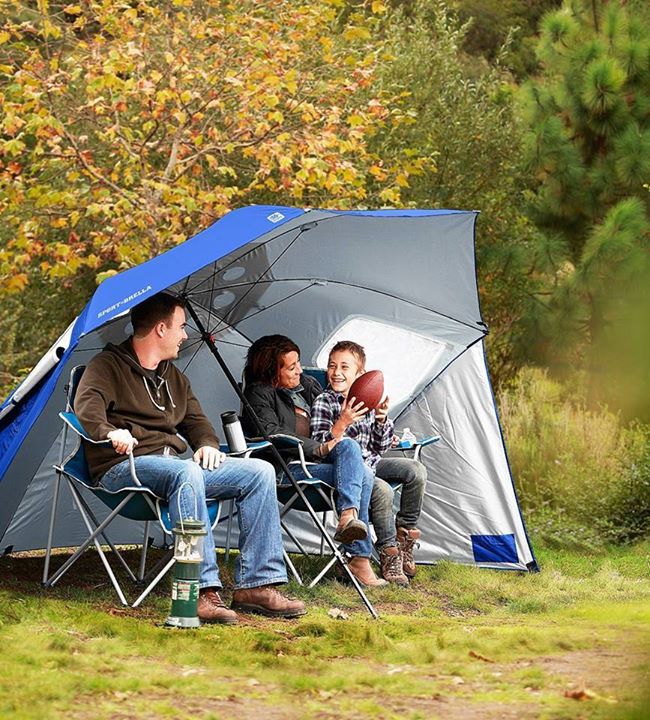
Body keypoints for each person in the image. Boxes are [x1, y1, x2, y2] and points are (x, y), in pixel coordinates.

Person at [74, 293, 306, 624]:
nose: (185, 334)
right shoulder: (106, 366)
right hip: (122, 466)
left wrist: (207, 444)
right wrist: (110, 432)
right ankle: (199, 591)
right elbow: (88, 407)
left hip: (175, 467)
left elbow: (197, 422)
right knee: (188, 475)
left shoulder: (174, 378)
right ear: (160, 329)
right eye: (181, 327)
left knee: (259, 471)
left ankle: (257, 584)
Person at [241, 335, 387, 587]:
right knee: (360, 472)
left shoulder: (306, 385)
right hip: (287, 471)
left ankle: (348, 521)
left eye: (298, 362)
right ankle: (359, 558)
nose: (300, 369)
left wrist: (371, 413)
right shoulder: (258, 395)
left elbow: (332, 414)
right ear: (271, 370)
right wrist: (320, 447)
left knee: (353, 454)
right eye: (291, 366)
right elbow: (273, 434)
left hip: (316, 466)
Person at [311, 340, 427, 584]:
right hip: (347, 470)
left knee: (415, 470)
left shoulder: (369, 400)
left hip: (372, 462)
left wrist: (382, 418)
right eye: (332, 366)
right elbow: (318, 448)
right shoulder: (325, 401)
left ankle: (404, 537)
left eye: (345, 367)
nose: (336, 372)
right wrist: (342, 422)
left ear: (360, 374)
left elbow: (380, 447)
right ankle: (388, 552)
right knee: (383, 489)